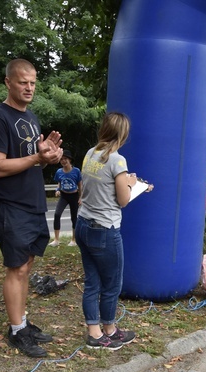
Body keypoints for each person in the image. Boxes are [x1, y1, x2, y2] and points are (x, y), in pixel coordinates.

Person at [0, 58, 63, 358]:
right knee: (16, 268)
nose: (29, 87)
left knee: (26, 266)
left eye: (32, 82)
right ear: (8, 82)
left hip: (32, 202)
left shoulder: (31, 118)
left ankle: (22, 322)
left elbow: (34, 158)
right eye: (22, 82)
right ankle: (16, 330)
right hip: (10, 203)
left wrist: (50, 157)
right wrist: (37, 160)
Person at [76, 112, 152, 350]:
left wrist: (124, 182)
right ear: (123, 134)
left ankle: (94, 333)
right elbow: (123, 200)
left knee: (92, 282)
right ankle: (109, 329)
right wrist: (132, 185)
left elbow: (88, 186)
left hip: (83, 224)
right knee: (111, 284)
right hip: (104, 229)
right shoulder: (117, 160)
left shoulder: (90, 153)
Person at [50, 150, 82, 247]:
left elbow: (80, 185)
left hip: (74, 196)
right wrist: (57, 189)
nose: (63, 161)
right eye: (62, 159)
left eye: (65, 159)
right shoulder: (59, 172)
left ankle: (73, 240)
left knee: (74, 218)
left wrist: (81, 198)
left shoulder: (76, 171)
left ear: (70, 160)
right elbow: (59, 182)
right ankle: (56, 240)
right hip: (64, 196)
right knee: (57, 214)